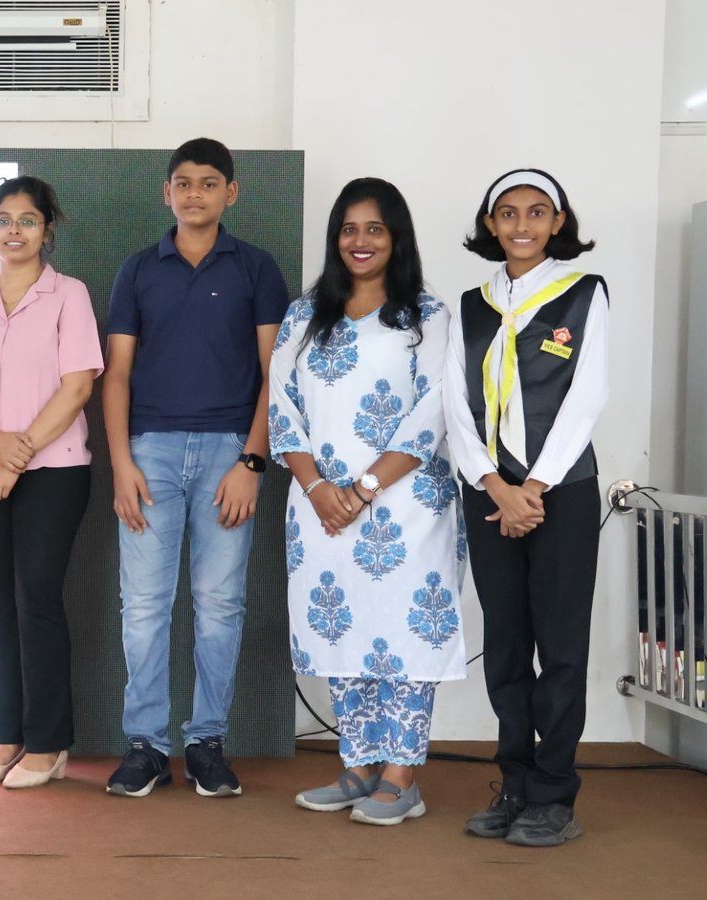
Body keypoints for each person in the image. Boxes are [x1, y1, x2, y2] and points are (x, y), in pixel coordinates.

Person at [269, 178, 465, 826]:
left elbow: (433, 410)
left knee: (404, 634)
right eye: (349, 229)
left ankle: (402, 776)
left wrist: (363, 489)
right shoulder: (304, 316)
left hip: (408, 506)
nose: (360, 241)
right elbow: (281, 408)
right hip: (319, 507)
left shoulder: (427, 316)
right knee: (341, 628)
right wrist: (318, 489)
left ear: (396, 237)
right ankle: (358, 765)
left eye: (374, 229)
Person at [103, 137, 290, 798]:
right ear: (167, 192)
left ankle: (207, 741)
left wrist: (252, 461)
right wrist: (122, 464)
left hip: (228, 453)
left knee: (219, 605)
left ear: (230, 193)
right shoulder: (137, 270)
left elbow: (276, 375)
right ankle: (146, 746)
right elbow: (116, 374)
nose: (194, 194)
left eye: (209, 183)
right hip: (148, 452)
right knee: (143, 606)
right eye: (183, 183)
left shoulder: (256, 268)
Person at [443, 168, 606, 847]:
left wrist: (532, 488)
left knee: (560, 646)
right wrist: (493, 483)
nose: (522, 224)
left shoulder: (582, 293)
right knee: (506, 644)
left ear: (558, 222)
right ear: (490, 224)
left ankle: (554, 793)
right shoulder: (471, 304)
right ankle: (514, 783)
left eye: (538, 212)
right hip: (489, 492)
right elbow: (455, 403)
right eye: (507, 213)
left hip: (560, 492)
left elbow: (587, 395)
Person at [0, 177, 101, 789]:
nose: (15, 230)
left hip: (55, 469)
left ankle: (48, 742)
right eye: (3, 219)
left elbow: (78, 385)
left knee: (36, 596)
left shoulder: (69, 295)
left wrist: (18, 456)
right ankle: (8, 735)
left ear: (46, 229)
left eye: (27, 220)